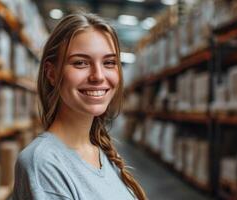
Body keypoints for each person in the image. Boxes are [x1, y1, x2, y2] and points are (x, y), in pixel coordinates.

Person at [13, 12, 147, 200]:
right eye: (81, 63)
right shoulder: (44, 163)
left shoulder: (100, 152)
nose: (98, 76)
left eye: (109, 63)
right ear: (51, 74)